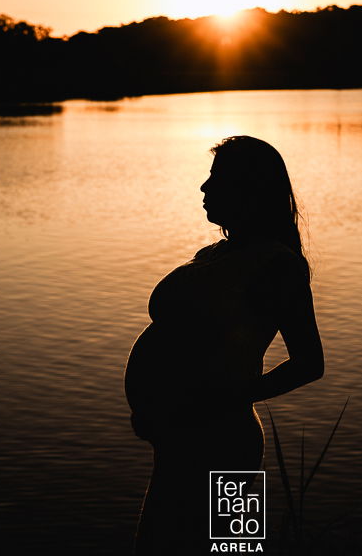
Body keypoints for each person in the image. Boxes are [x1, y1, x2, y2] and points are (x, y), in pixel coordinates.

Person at [124, 135, 325, 554]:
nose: (204, 187)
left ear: (249, 189)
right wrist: (157, 410)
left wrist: (220, 400)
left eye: (217, 178)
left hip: (224, 441)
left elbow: (309, 363)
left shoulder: (278, 266)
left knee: (229, 548)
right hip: (178, 438)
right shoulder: (214, 253)